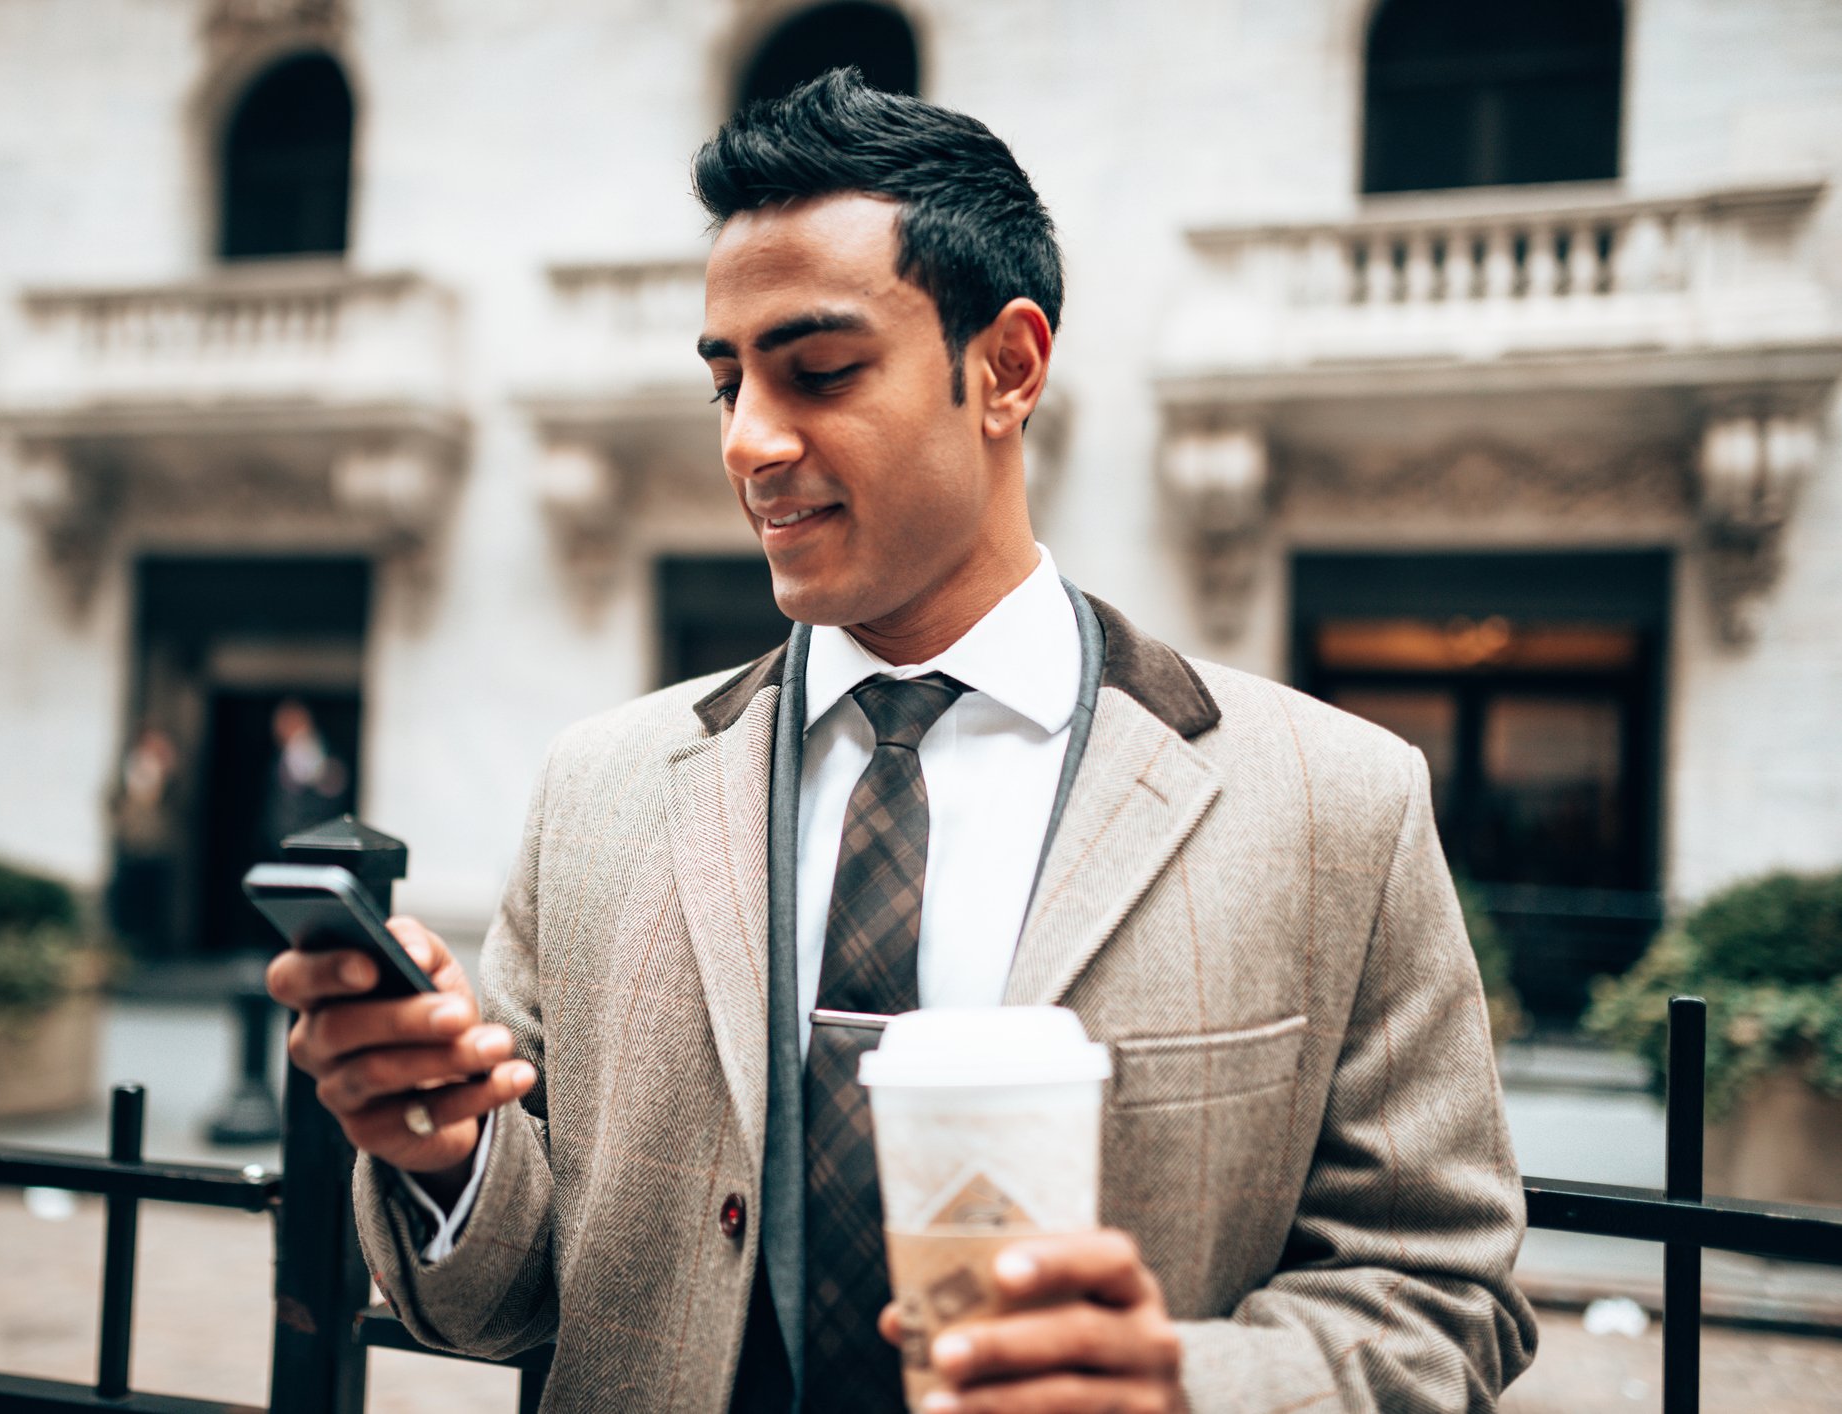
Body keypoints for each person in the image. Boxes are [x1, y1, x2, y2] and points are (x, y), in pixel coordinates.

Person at [268, 70, 1536, 1413]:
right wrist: (450, 1155)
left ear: (1008, 367)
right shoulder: (600, 788)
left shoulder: (1336, 799)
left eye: (818, 370)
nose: (752, 441)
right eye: (726, 384)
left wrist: (1185, 1387)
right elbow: (513, 1305)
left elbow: (1444, 1294)